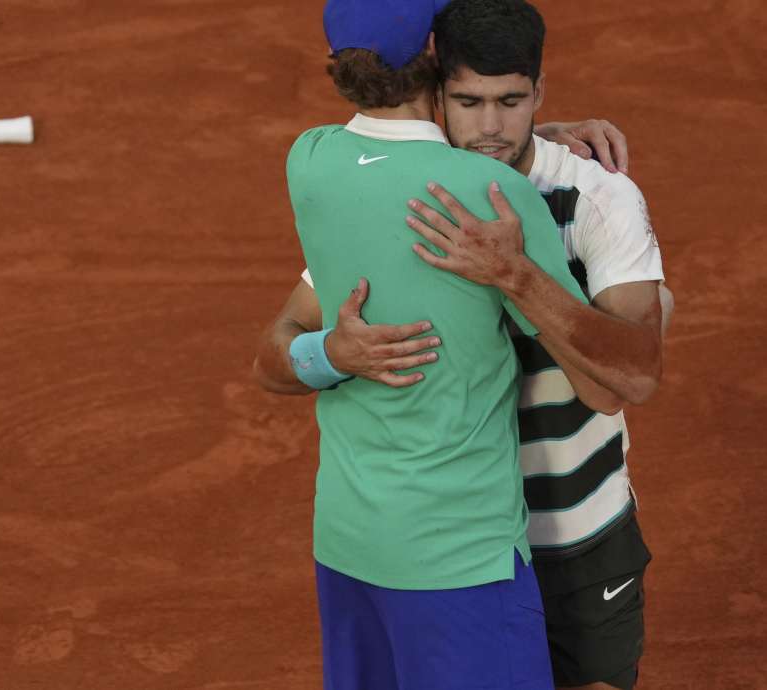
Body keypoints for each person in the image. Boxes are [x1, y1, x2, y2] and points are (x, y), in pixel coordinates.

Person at [255, 1, 672, 688]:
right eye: (467, 101)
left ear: (539, 92)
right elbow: (276, 348)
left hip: (575, 539)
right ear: (434, 90)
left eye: (510, 102)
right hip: (459, 552)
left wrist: (517, 274)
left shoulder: (599, 199)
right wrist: (335, 352)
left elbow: (629, 380)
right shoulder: (411, 194)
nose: (487, 127)